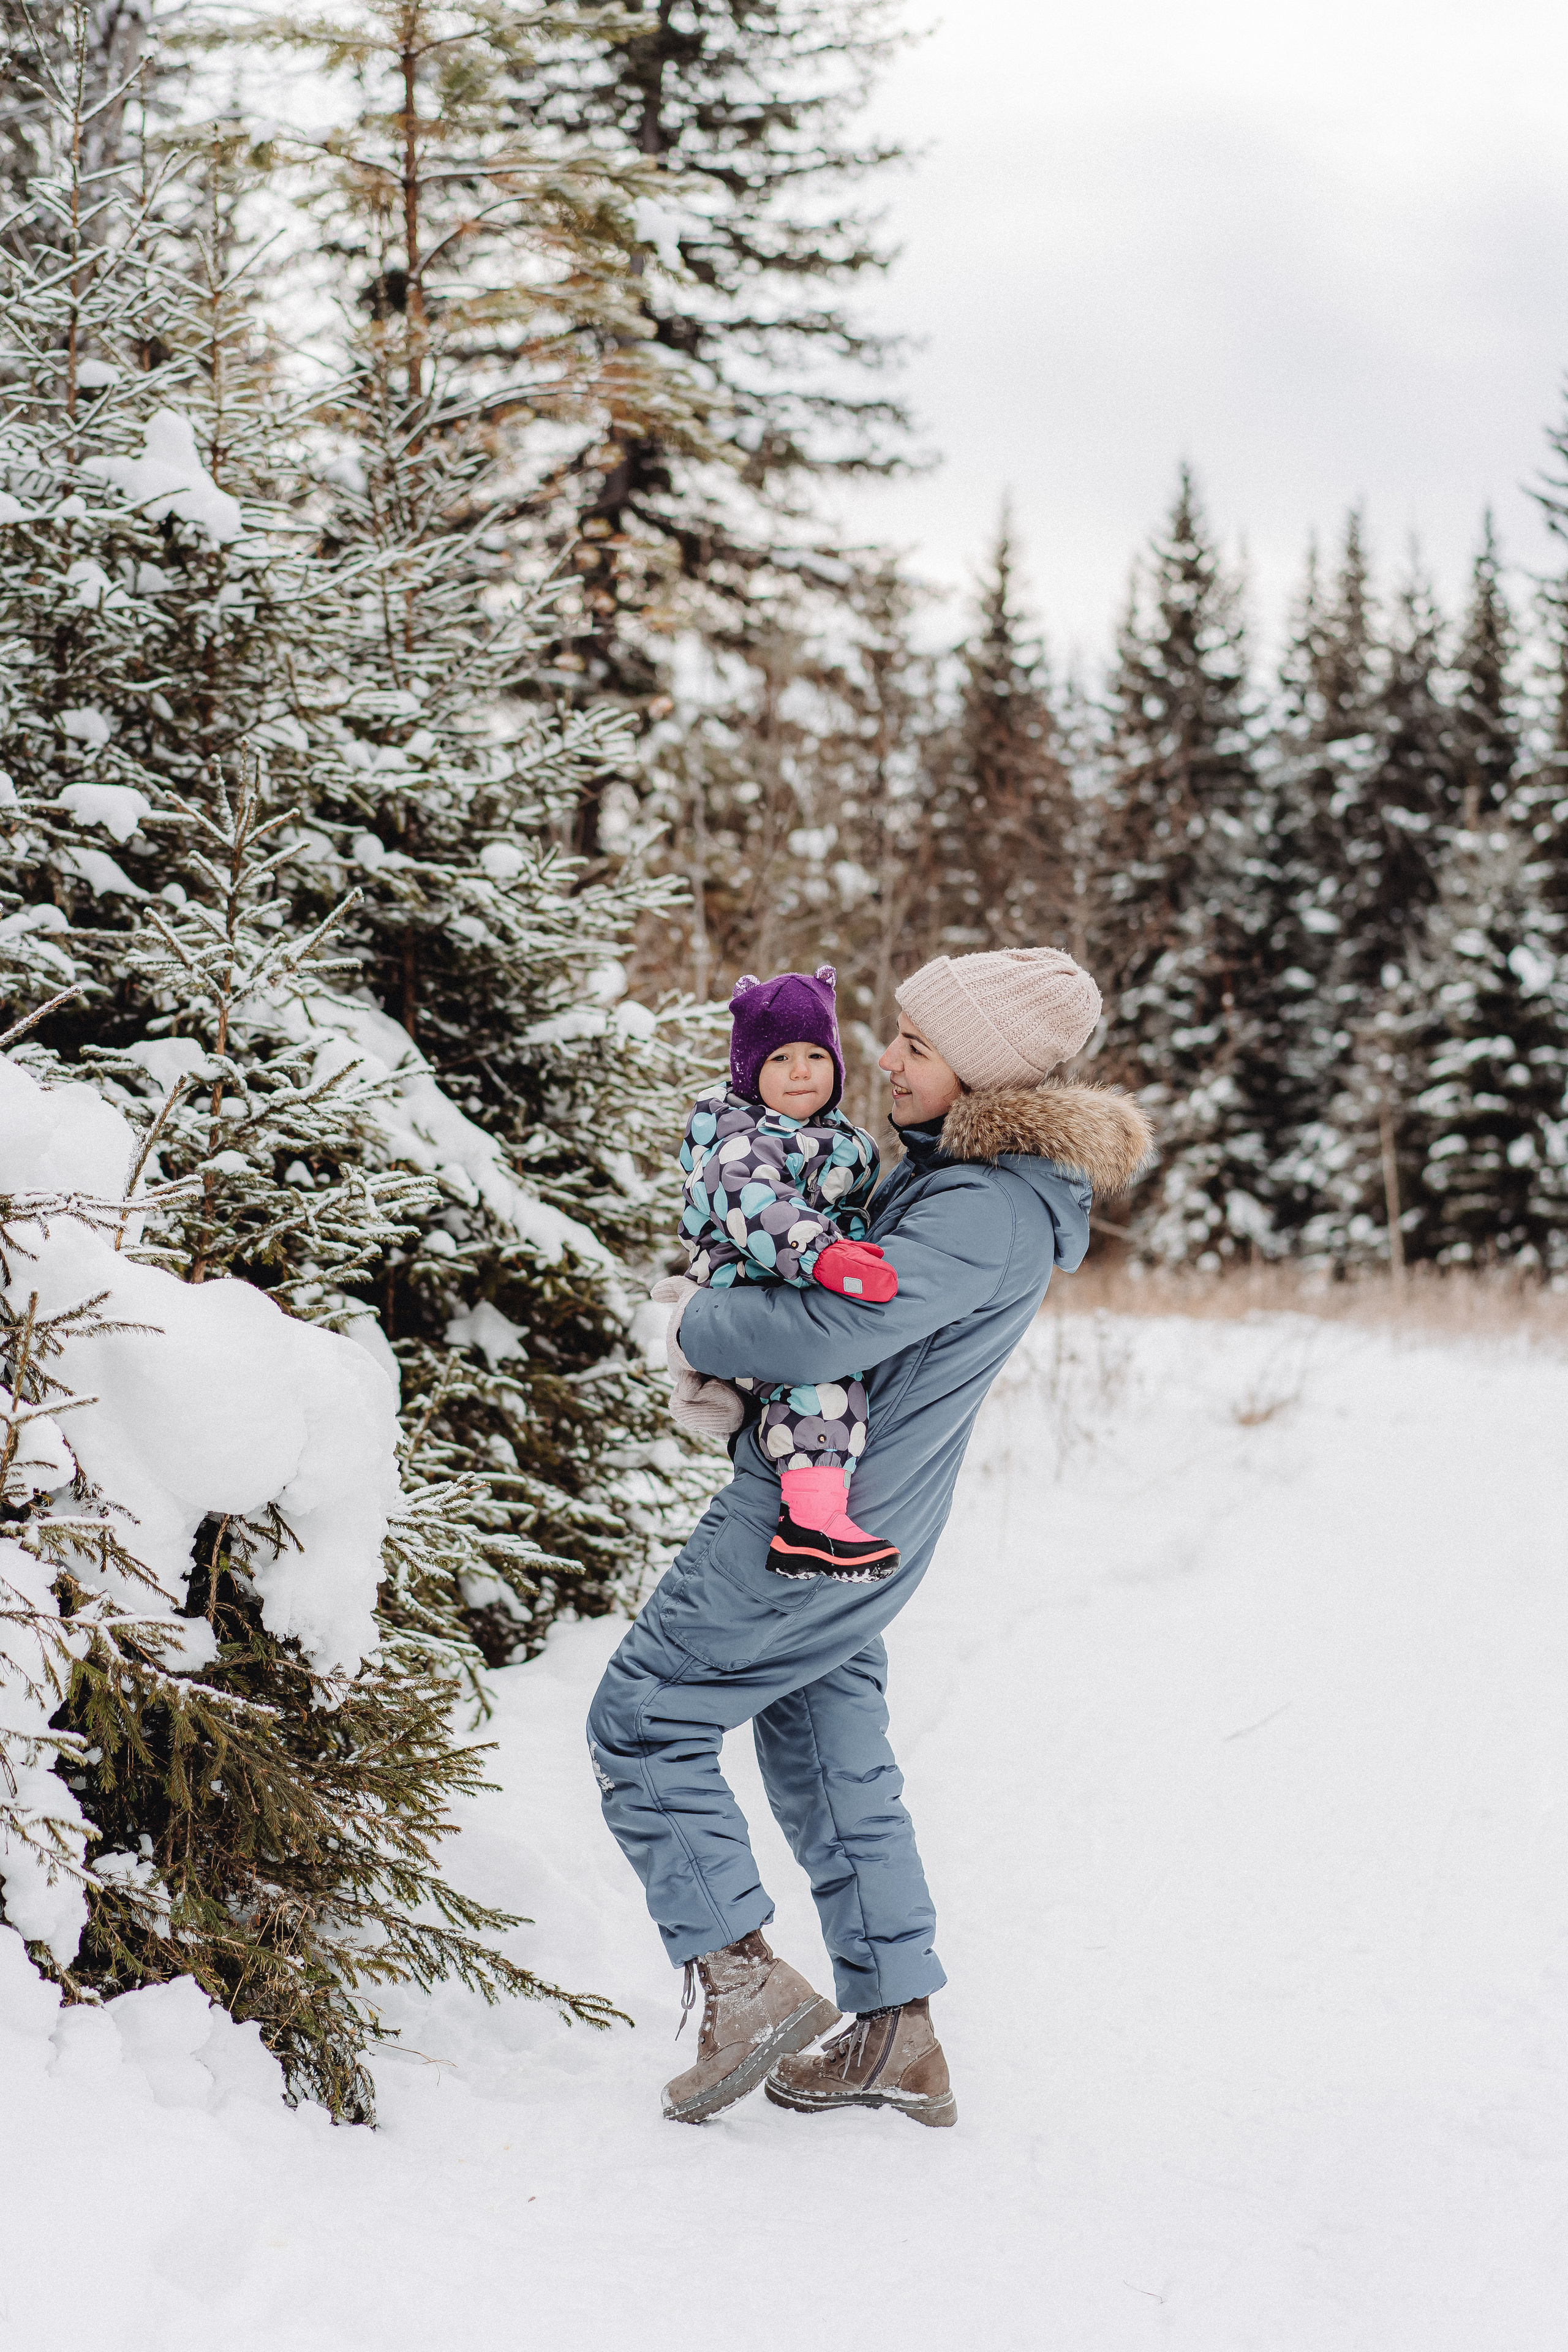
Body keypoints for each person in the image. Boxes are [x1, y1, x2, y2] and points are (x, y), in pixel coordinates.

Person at [587, 946, 1152, 2127]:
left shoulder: (983, 1205)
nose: (882, 1058)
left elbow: (828, 1331)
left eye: (917, 1046)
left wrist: (692, 1316)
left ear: (984, 1079)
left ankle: (742, 1985)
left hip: (817, 1514)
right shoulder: (970, 1181)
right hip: (866, 1515)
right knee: (822, 1745)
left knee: (644, 1721)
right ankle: (897, 2026)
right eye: (893, 1034)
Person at [672, 962, 902, 1580]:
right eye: (778, 1060)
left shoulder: (842, 1139)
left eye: (814, 1055)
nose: (801, 1071)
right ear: (749, 1073)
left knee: (829, 1379)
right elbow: (755, 1203)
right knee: (820, 1383)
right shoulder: (741, 1143)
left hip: (790, 1292)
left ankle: (804, 1502)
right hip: (748, 1294)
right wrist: (826, 1257)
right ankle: (809, 1528)